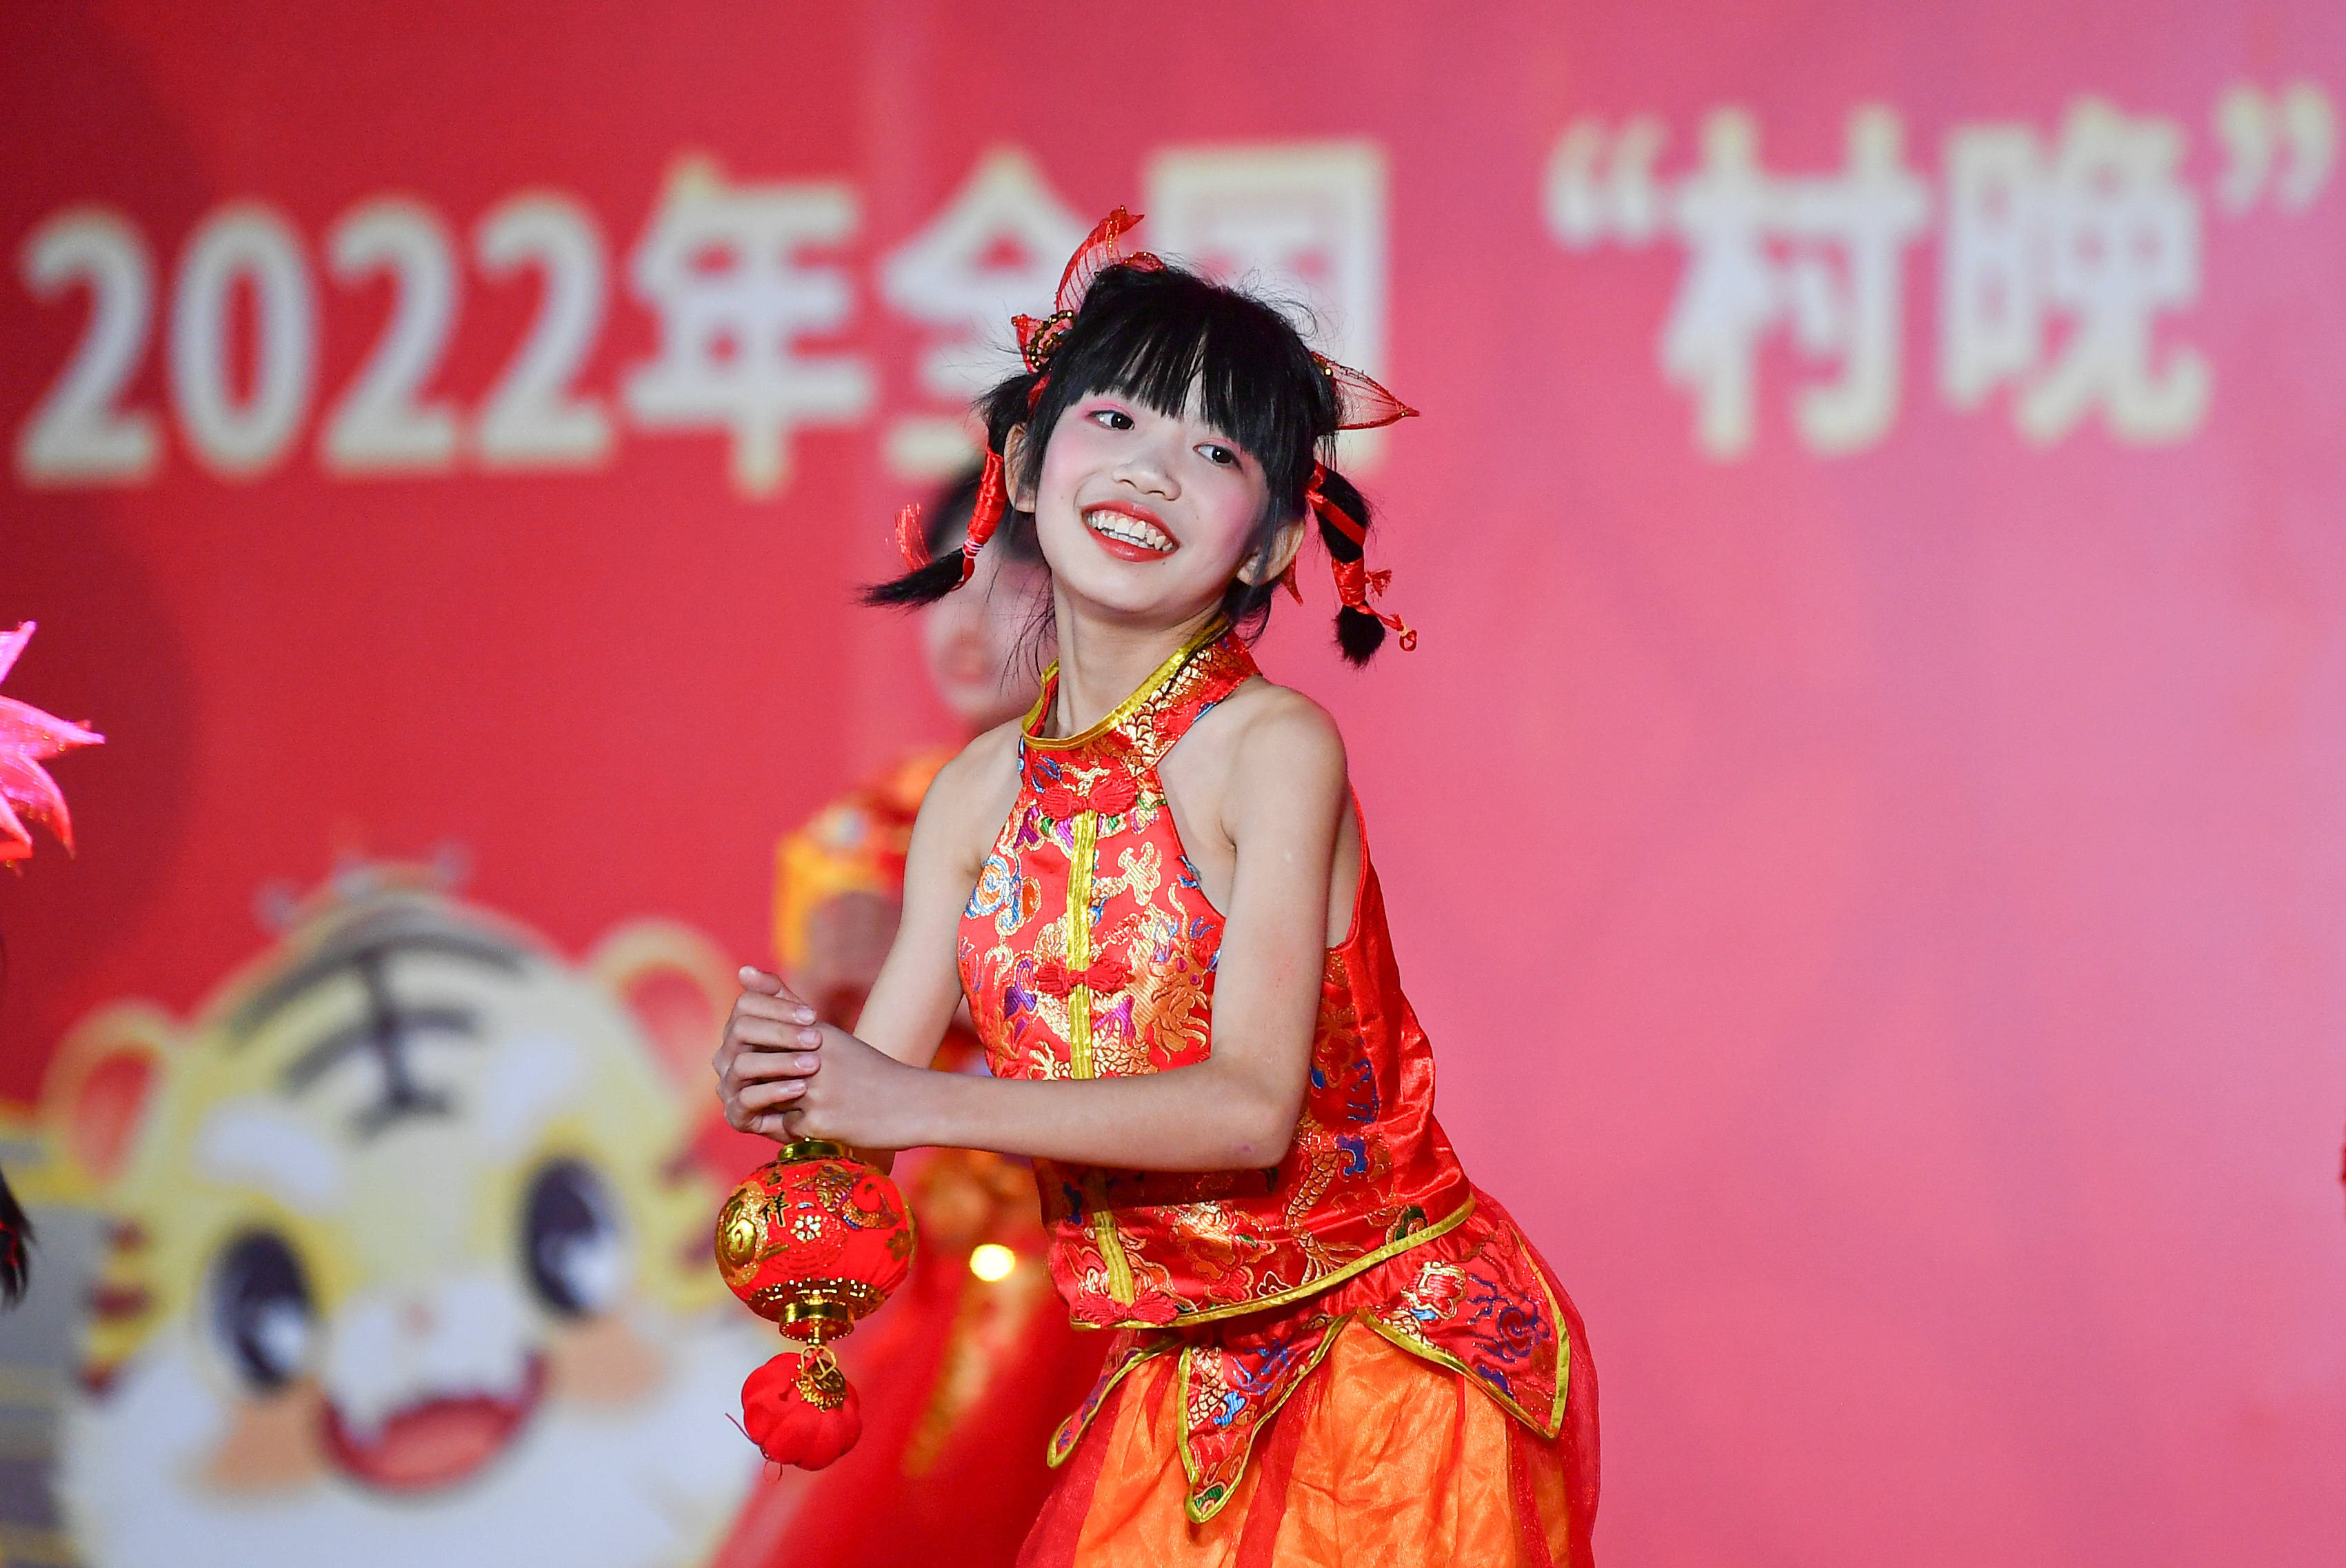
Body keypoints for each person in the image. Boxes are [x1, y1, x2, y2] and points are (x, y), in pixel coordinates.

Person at [715, 212, 1598, 1567]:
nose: (1152, 470)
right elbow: (860, 1146)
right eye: (1117, 418)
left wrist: (904, 1098)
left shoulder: (1270, 747)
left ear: (1265, 546)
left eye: (1217, 452)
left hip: (1389, 1372)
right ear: (1024, 464)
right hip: (1167, 1386)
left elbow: (1247, 1109)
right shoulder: (972, 796)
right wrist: (796, 1100)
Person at [739, 472, 1102, 1567]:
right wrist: (805, 1008)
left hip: (1137, 1268)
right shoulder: (869, 831)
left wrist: (933, 950)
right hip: (958, 1281)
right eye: (947, 582)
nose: (963, 620)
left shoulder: (1160, 808)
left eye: (1010, 582)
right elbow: (808, 1106)